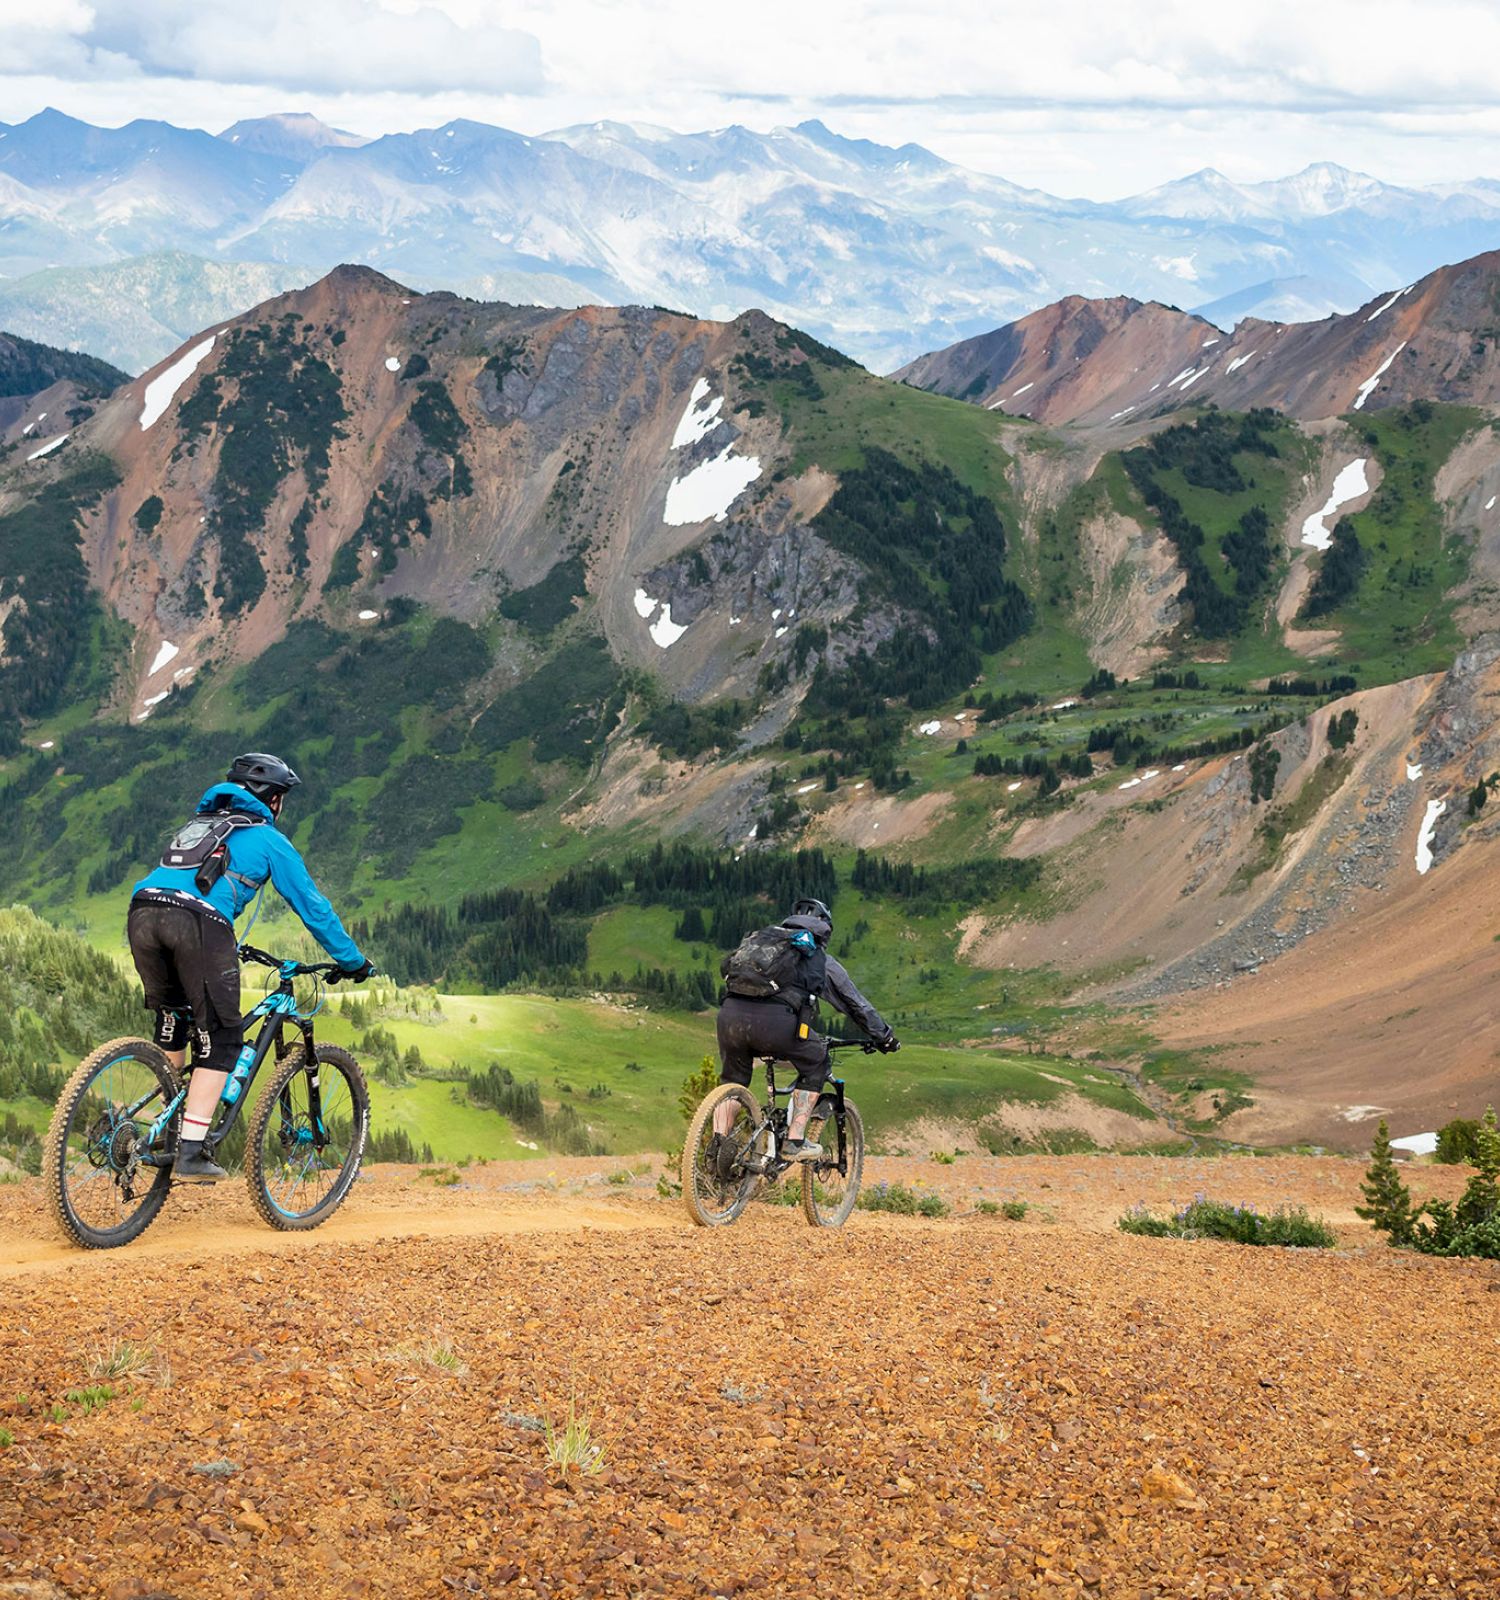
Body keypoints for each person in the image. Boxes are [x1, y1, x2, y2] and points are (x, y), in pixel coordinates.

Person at [128, 752, 374, 1183]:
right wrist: (351, 961)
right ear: (271, 798)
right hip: (197, 923)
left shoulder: (199, 827)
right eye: (282, 797)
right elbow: (313, 907)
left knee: (176, 1021)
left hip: (143, 913)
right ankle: (189, 1153)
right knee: (222, 1042)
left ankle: (157, 1129)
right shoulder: (267, 837)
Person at [714, 896, 898, 1164]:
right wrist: (884, 1036)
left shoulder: (764, 943)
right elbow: (855, 1003)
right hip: (775, 1025)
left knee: (734, 1080)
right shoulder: (816, 956)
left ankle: (717, 1146)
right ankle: (794, 1141)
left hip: (729, 1018)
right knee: (816, 1060)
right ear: (824, 928)